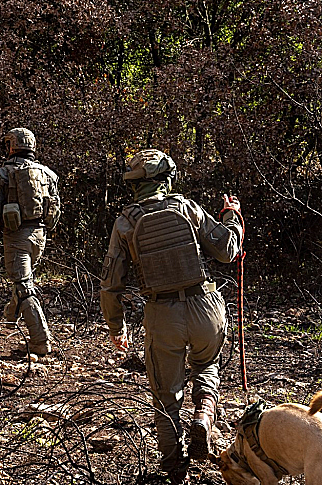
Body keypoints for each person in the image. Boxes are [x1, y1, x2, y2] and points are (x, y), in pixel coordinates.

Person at [99, 149, 243, 484]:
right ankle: (204, 415)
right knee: (207, 364)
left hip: (162, 314)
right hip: (205, 305)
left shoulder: (125, 222)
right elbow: (227, 251)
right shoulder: (187, 207)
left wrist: (116, 326)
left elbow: (110, 285)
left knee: (165, 398)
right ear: (168, 178)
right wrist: (232, 216)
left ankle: (175, 472)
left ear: (135, 183)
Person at [0, 128, 61, 356]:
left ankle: (40, 340)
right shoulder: (48, 174)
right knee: (23, 281)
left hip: (16, 237)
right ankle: (9, 320)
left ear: (11, 146)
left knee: (24, 286)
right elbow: (54, 207)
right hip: (40, 236)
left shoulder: (3, 173)